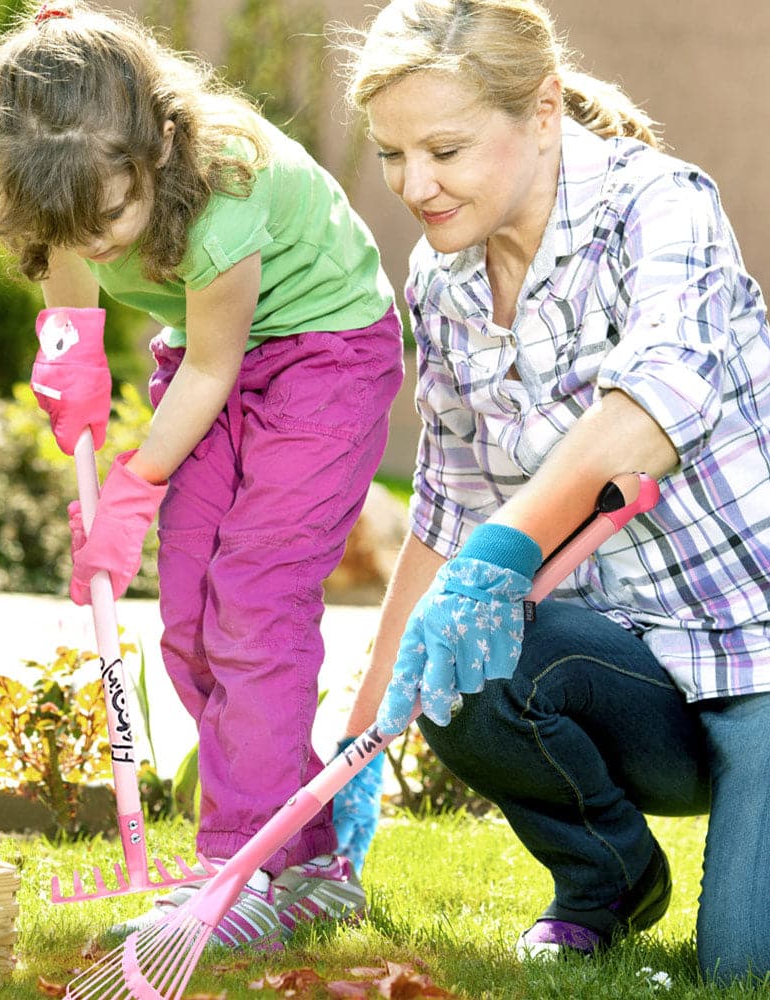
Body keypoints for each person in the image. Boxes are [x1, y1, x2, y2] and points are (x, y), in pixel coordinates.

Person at [0, 1, 404, 950]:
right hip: (208, 361)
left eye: (114, 214)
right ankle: (307, 864)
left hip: (321, 357)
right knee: (189, 619)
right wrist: (70, 359)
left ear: (158, 148)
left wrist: (132, 494)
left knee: (253, 605)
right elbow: (73, 287)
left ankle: (245, 870)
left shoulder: (223, 181)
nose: (98, 243)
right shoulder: (69, 182)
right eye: (69, 224)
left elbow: (220, 367)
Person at [331, 0, 770, 984]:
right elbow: (446, 504)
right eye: (393, 154)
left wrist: (510, 543)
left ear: (541, 110)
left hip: (764, 657)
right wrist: (360, 739)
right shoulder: (443, 279)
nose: (414, 185)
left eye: (443, 149)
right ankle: (606, 878)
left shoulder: (660, 204)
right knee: (453, 656)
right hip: (641, 669)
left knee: (741, 966)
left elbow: (653, 406)